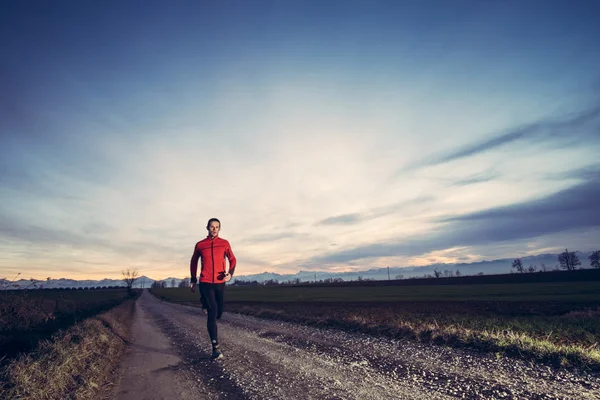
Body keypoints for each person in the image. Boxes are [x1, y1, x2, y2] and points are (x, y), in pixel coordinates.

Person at [190, 217, 236, 359]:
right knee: (213, 311)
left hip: (220, 281)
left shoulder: (224, 243)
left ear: (219, 229)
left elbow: (233, 259)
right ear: (207, 228)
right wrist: (193, 279)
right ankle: (215, 347)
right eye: (211, 226)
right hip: (205, 281)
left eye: (217, 227)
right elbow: (193, 261)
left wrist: (230, 274)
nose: (214, 229)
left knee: (219, 312)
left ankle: (204, 301)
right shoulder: (200, 245)